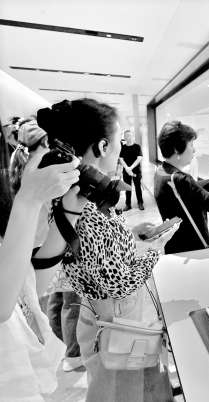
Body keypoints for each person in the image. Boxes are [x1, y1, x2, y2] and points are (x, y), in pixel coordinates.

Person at [34, 99, 177, 402]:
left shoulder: (83, 196)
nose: (121, 149)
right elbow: (117, 283)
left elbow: (103, 250)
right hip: (116, 328)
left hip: (116, 322)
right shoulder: (82, 207)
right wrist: (154, 249)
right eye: (118, 142)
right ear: (102, 146)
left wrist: (132, 235)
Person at [0, 120, 80, 401]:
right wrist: (30, 199)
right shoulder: (27, 189)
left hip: (18, 373)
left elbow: (25, 290)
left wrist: (71, 211)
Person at [154, 121, 209, 254]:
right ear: (177, 149)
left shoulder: (162, 171)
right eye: (191, 145)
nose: (194, 150)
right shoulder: (180, 178)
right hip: (192, 250)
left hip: (176, 246)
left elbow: (191, 189)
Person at [119, 129, 144, 210]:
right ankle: (128, 204)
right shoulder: (123, 147)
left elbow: (139, 158)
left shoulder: (137, 147)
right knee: (127, 188)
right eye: (126, 136)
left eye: (129, 135)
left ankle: (140, 203)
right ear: (124, 137)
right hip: (126, 171)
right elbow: (121, 159)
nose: (128, 137)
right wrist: (127, 168)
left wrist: (130, 168)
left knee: (138, 187)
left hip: (136, 171)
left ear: (132, 136)